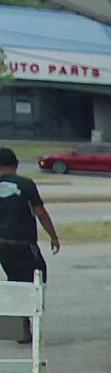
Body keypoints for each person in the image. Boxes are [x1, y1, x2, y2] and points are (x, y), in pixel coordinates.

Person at [0, 147, 60, 344]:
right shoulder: (26, 184)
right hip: (23, 243)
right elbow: (40, 212)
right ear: (16, 164)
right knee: (37, 279)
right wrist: (53, 236)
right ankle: (27, 324)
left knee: (15, 280)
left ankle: (20, 326)